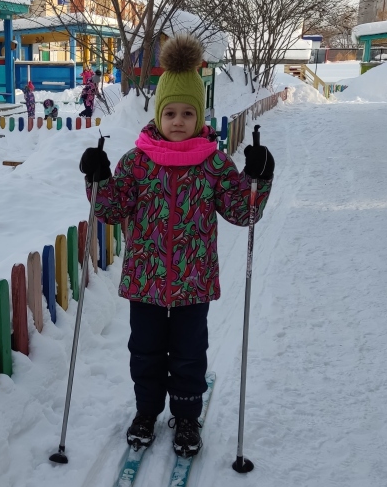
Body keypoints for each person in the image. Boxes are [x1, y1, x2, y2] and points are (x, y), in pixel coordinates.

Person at [79, 35, 275, 457]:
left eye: (188, 113)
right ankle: (146, 411)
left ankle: (186, 417)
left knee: (189, 355)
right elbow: (111, 210)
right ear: (158, 114)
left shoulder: (213, 163)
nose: (179, 120)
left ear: (200, 116)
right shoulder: (137, 162)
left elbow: (244, 212)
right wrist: (97, 179)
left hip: (193, 281)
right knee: (145, 351)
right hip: (146, 280)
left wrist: (258, 179)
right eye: (171, 112)